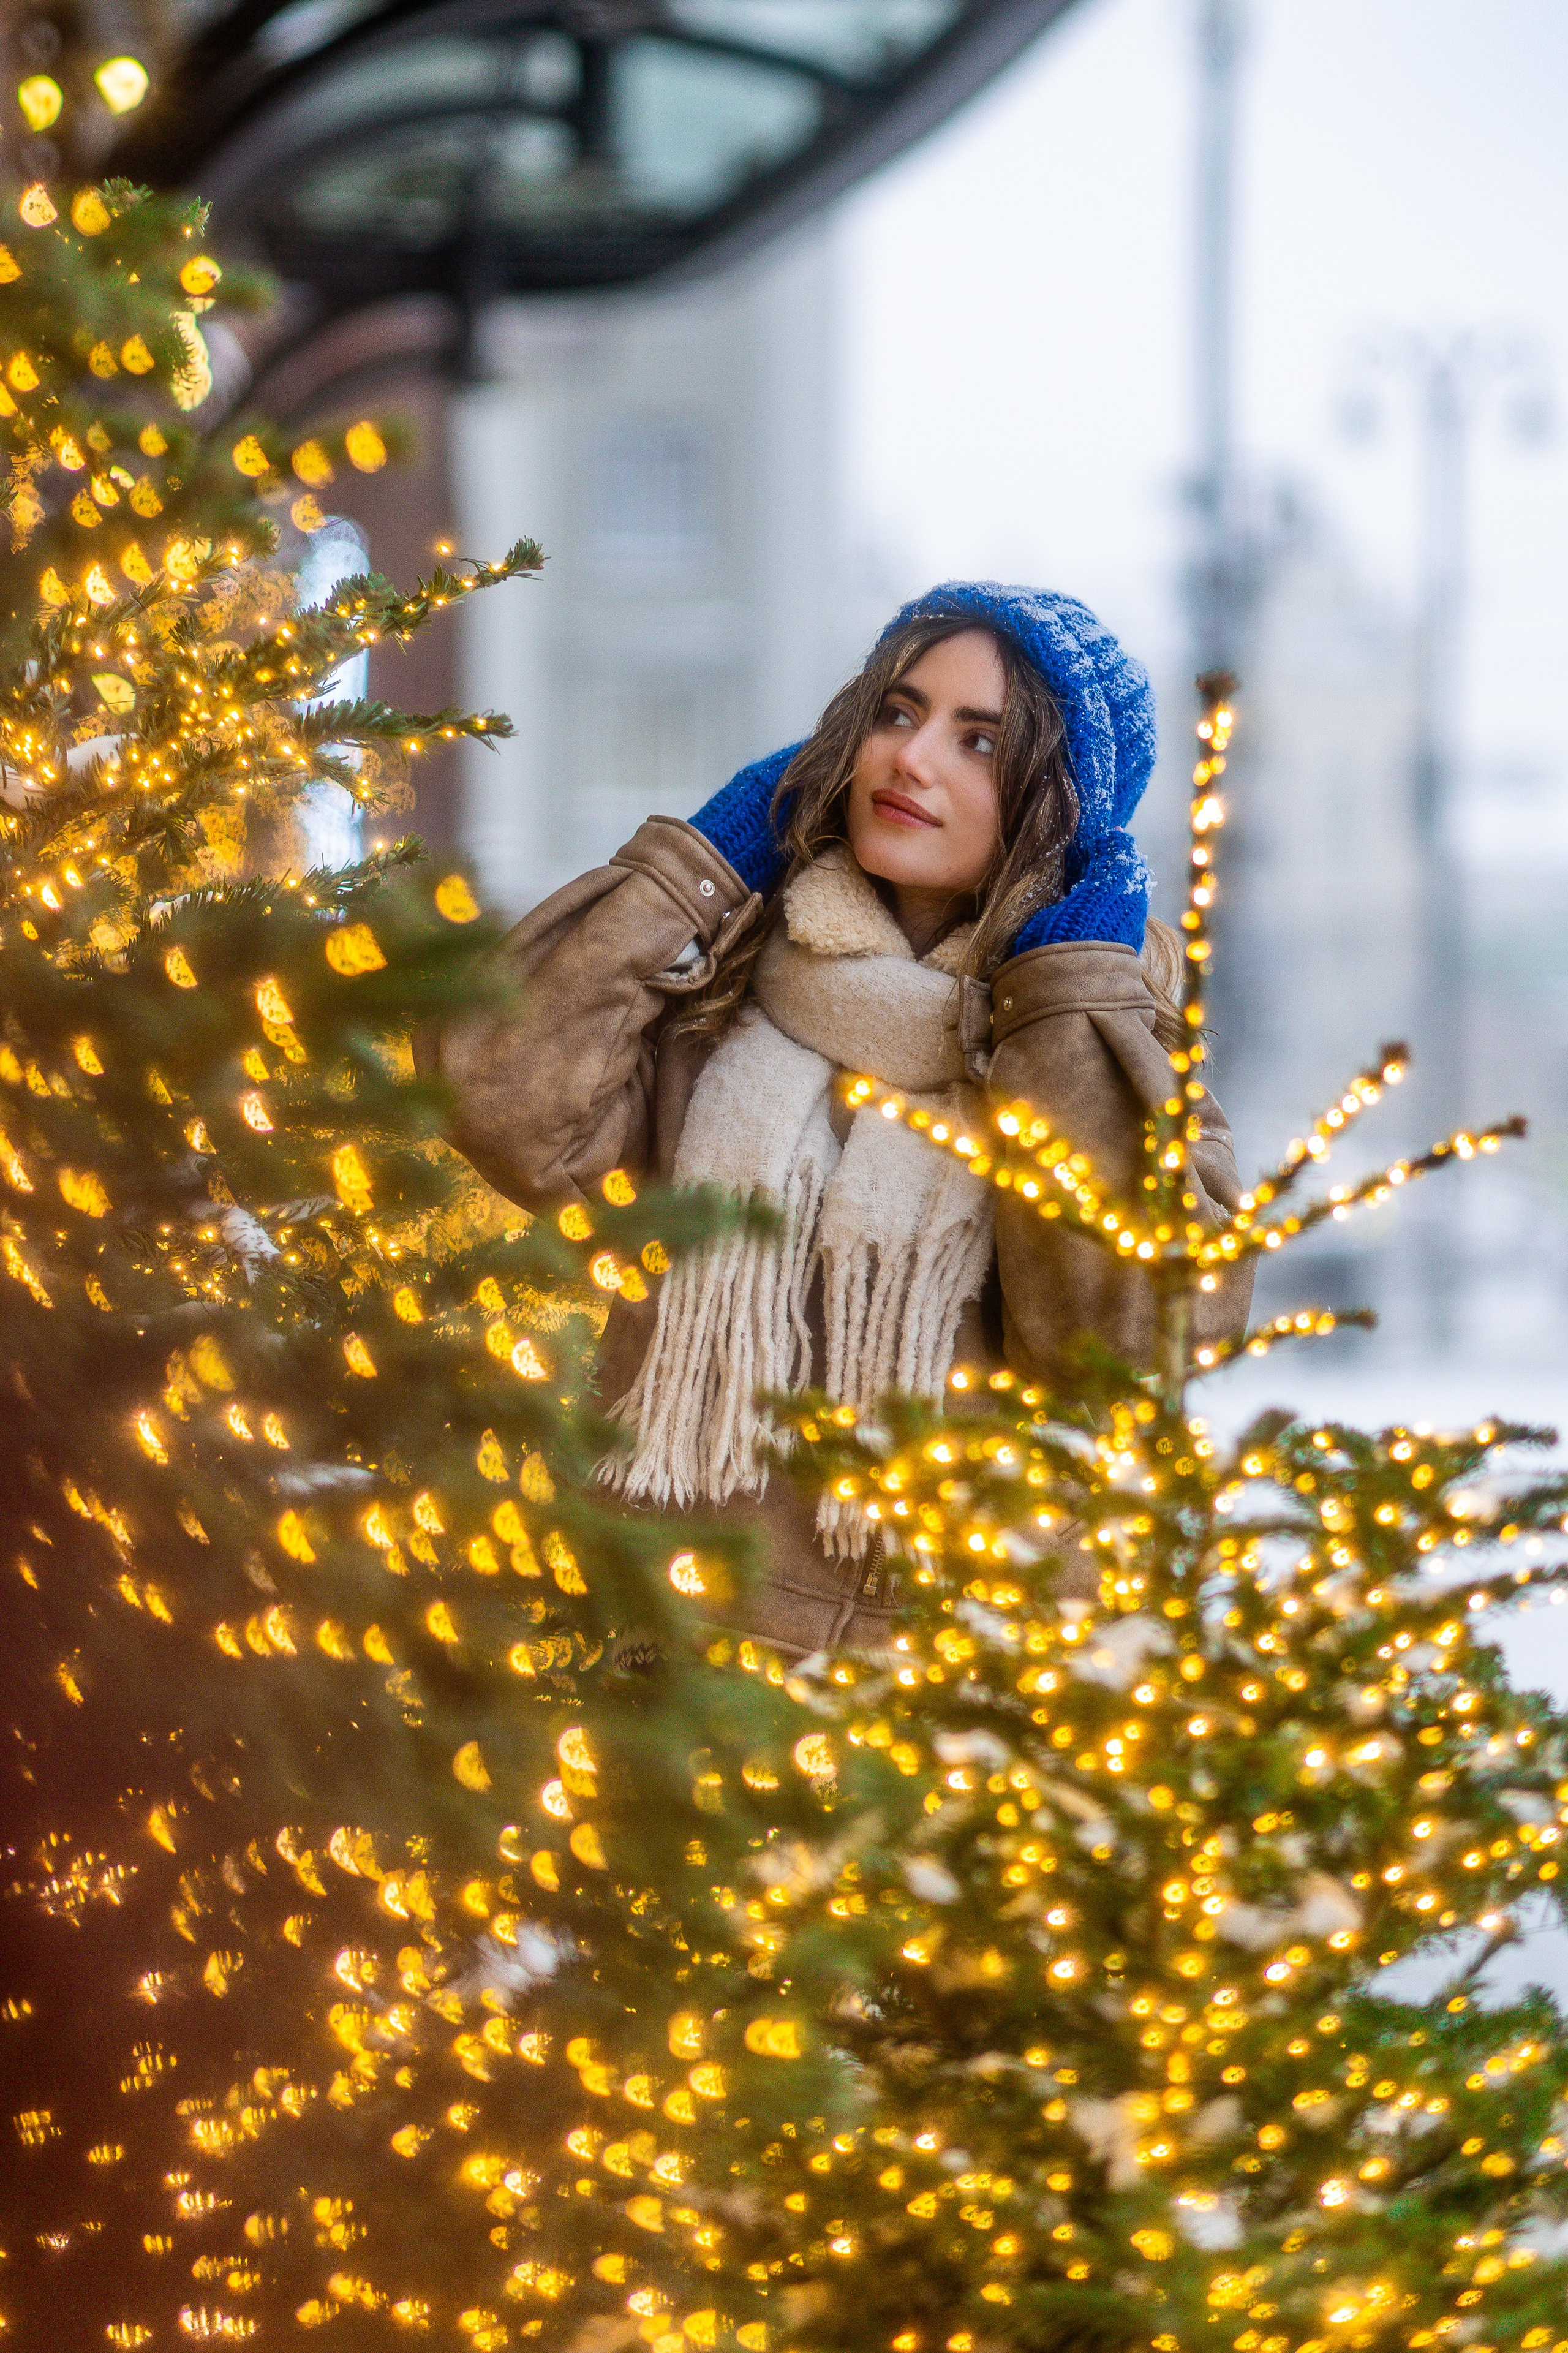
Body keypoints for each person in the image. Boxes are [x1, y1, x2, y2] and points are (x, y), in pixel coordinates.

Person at [428, 583, 1253, 1656]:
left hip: (959, 1694)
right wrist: (707, 859)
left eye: (980, 742)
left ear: (1055, 804)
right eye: (897, 712)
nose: (911, 759)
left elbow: (1130, 1342)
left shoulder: (1100, 1046)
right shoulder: (719, 995)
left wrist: (1065, 991)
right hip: (680, 1660)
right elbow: (492, 1090)